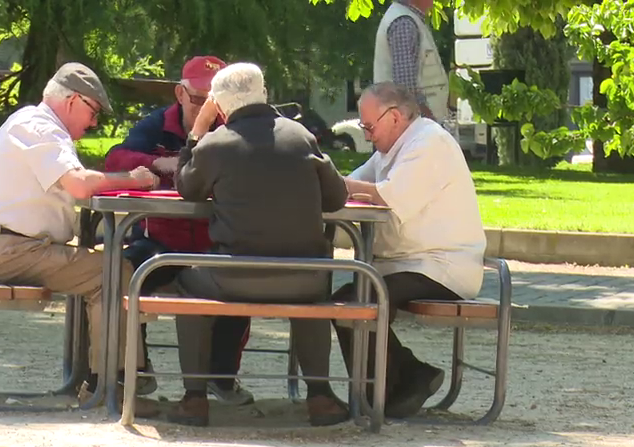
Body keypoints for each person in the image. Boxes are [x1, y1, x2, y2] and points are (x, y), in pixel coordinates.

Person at [0, 62, 160, 416]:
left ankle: (102, 378)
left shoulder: (34, 126)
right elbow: (79, 184)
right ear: (73, 101)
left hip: (8, 246)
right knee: (113, 271)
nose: (94, 123)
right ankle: (113, 381)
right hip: (8, 249)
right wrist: (134, 178)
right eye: (93, 112)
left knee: (106, 267)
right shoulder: (39, 127)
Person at [169, 62, 352, 427]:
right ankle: (320, 398)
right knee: (317, 292)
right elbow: (337, 198)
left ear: (219, 107)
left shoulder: (215, 145)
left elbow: (186, 188)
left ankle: (194, 399)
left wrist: (197, 132)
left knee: (185, 284)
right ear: (264, 94)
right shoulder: (301, 137)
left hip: (233, 278)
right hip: (305, 279)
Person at [105, 56, 255, 405]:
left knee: (241, 282)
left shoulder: (232, 128)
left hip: (215, 243)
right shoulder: (157, 124)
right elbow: (115, 159)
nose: (207, 108)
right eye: (199, 99)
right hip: (160, 242)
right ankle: (134, 371)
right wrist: (154, 162)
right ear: (180, 94)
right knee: (122, 274)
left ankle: (222, 379)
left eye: (214, 100)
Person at [334, 82, 486, 418]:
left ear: (397, 117)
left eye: (369, 127)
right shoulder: (393, 148)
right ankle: (401, 380)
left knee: (364, 300)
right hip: (408, 263)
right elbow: (352, 184)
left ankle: (387, 391)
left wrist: (331, 181)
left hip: (441, 265)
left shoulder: (429, 143)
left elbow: (387, 195)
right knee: (346, 300)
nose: (368, 136)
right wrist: (334, 183)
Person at [373, 0, 448, 123]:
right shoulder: (404, 23)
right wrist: (429, 123)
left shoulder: (408, 18)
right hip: (415, 129)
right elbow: (405, 90)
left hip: (415, 128)